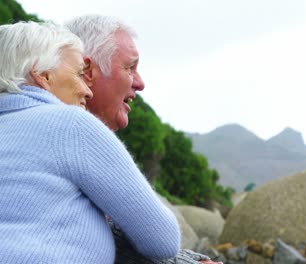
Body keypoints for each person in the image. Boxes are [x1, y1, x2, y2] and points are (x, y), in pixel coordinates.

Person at [0, 21, 181, 263]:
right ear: (43, 75)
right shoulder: (69, 124)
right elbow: (163, 240)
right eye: (78, 74)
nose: (88, 90)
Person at [65, 15, 223, 264]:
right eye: (129, 67)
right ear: (87, 70)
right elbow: (163, 241)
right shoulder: (74, 131)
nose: (140, 83)